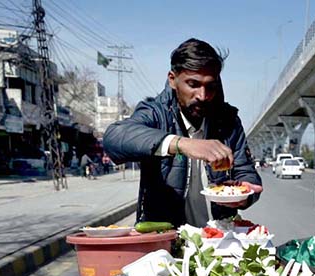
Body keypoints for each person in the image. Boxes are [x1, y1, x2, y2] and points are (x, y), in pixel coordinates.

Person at [103, 38, 262, 227]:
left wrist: (245, 195)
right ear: (173, 79)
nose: (202, 96)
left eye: (210, 86)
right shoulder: (156, 113)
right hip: (166, 240)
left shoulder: (228, 121)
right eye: (193, 84)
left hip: (219, 239)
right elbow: (115, 136)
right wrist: (182, 144)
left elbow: (246, 174)